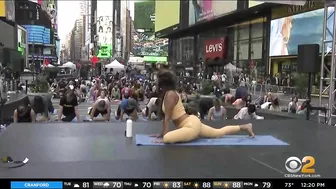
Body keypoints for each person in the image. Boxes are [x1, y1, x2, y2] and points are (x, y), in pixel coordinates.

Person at [150, 69, 255, 144]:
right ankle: (245, 127)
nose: (155, 81)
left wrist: (164, 136)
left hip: (190, 125)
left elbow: (167, 118)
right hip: (190, 123)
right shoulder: (168, 93)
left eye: (156, 79)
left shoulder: (170, 94)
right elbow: (165, 117)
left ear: (162, 82)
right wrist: (161, 134)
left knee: (168, 139)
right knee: (218, 132)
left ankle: (245, 127)